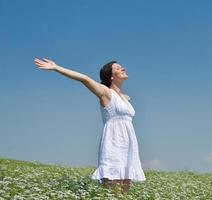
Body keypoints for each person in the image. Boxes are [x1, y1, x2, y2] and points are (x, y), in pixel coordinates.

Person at [34, 58, 146, 194]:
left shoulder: (126, 98)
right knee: (112, 190)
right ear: (111, 76)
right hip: (114, 143)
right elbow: (84, 79)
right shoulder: (105, 92)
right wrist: (56, 67)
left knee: (126, 190)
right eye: (117, 68)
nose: (123, 68)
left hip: (128, 144)